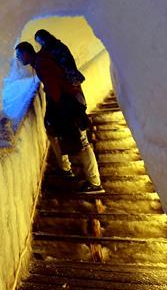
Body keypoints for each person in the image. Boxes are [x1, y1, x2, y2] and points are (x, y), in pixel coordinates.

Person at [15, 41, 103, 194]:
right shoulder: (41, 61)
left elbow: (54, 90)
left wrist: (56, 113)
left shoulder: (42, 64)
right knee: (53, 134)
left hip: (68, 106)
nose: (18, 59)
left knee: (82, 142)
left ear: (26, 53)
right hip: (69, 103)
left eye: (19, 55)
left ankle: (95, 183)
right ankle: (66, 168)